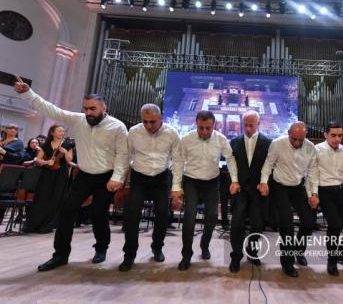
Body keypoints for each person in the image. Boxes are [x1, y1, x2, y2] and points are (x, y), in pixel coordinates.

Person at [14, 76, 129, 272]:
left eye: (93, 108)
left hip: (105, 177)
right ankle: (60, 255)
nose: (88, 112)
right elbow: (51, 109)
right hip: (84, 175)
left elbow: (123, 154)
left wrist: (117, 178)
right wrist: (27, 93)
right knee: (67, 210)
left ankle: (101, 247)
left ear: (104, 108)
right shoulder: (79, 120)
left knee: (99, 213)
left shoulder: (117, 126)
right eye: (85, 108)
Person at [171, 110, 239, 271]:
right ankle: (186, 255)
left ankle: (205, 245)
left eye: (208, 128)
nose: (204, 132)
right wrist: (176, 187)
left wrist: (235, 180)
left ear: (214, 125)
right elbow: (179, 162)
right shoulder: (186, 139)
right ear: (196, 124)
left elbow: (230, 158)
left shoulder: (220, 139)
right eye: (201, 128)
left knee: (213, 216)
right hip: (191, 180)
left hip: (211, 181)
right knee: (189, 217)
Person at [118, 104, 180, 272]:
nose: (148, 126)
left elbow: (178, 161)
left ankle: (157, 247)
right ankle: (129, 255)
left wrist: (176, 188)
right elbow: (125, 155)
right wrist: (120, 179)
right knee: (131, 216)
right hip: (139, 178)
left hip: (161, 179)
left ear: (161, 119)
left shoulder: (172, 133)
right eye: (145, 121)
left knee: (162, 214)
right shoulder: (134, 132)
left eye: (153, 121)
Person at [258, 121, 318, 278]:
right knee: (287, 225)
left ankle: (298, 250)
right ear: (288, 133)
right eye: (294, 139)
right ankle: (287, 262)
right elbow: (267, 165)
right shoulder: (277, 144)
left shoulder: (310, 147)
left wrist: (313, 194)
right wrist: (264, 183)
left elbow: (312, 173)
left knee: (308, 222)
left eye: (301, 139)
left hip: (298, 187)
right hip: (280, 186)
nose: (297, 143)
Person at [313, 121, 343, 276]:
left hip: (341, 192)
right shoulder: (317, 150)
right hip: (324, 191)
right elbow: (312, 173)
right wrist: (313, 194)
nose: (337, 138)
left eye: (340, 135)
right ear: (325, 135)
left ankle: (341, 253)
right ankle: (331, 261)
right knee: (335, 226)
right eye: (333, 135)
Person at [228, 110, 271, 273]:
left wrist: (264, 183)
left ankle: (252, 252)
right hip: (240, 189)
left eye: (251, 125)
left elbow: (270, 165)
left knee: (258, 224)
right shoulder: (234, 142)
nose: (247, 128)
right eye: (245, 125)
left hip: (258, 190)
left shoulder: (268, 143)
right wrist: (234, 182)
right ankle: (236, 256)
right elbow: (230, 165)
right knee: (236, 223)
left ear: (258, 124)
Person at [23, 125, 75, 234]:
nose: (62, 132)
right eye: (59, 131)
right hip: (47, 173)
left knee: (56, 199)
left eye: (63, 131)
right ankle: (34, 225)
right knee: (42, 197)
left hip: (61, 173)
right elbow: (38, 159)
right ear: (52, 132)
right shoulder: (45, 145)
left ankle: (47, 225)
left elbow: (69, 160)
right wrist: (47, 162)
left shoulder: (68, 144)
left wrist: (65, 152)